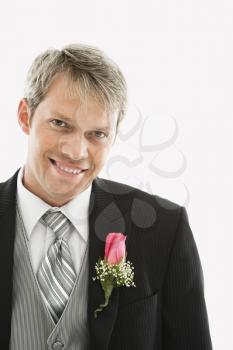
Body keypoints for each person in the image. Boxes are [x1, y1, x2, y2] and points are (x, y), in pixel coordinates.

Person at [0, 43, 212, 350]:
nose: (76, 151)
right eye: (60, 124)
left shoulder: (165, 229)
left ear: (113, 135)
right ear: (25, 116)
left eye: (96, 134)